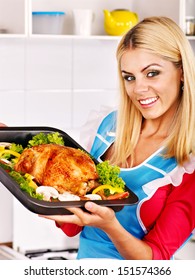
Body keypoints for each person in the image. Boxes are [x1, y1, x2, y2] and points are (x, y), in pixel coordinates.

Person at [40, 16, 195, 260]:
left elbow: (155, 259)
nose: (138, 89)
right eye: (129, 77)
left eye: (152, 73)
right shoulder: (107, 127)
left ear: (182, 73)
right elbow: (73, 226)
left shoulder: (188, 161)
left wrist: (110, 226)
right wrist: (20, 161)